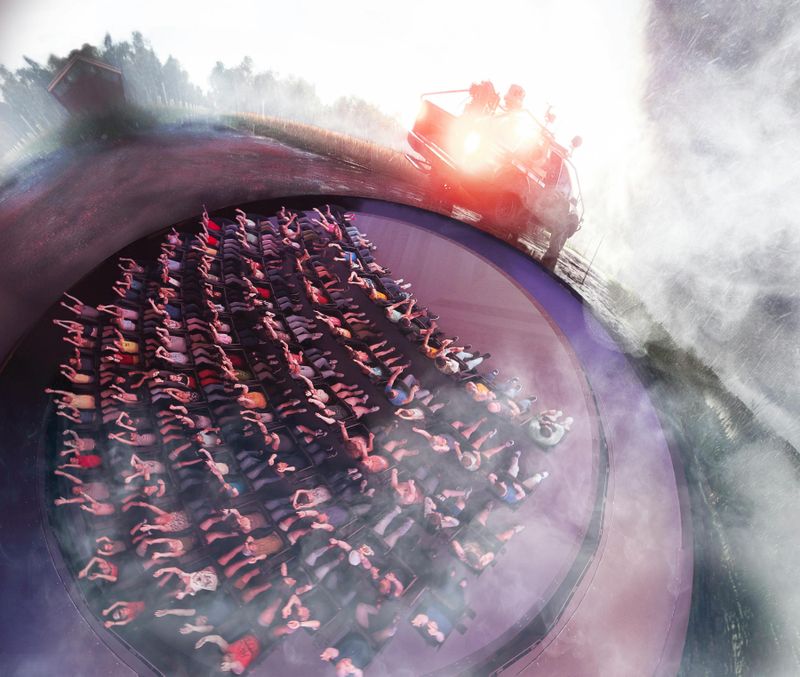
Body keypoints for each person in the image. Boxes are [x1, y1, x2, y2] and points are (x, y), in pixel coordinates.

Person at [195, 633, 260, 675]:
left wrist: (205, 639)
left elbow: (217, 639)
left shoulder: (228, 649)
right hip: (262, 642)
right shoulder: (238, 668)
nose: (225, 656)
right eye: (224, 662)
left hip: (252, 631)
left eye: (221, 659)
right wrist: (231, 665)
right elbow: (238, 666)